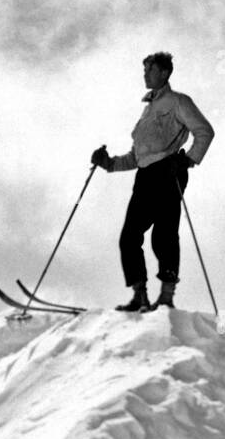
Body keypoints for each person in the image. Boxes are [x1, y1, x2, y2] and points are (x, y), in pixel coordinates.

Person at [91, 52, 214, 312]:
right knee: (129, 236)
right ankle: (140, 296)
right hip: (146, 175)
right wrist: (108, 163)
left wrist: (188, 160)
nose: (145, 74)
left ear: (165, 73)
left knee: (164, 235)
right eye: (145, 69)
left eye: (150, 69)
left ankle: (166, 297)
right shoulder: (148, 110)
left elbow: (204, 130)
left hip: (169, 171)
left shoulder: (178, 101)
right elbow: (137, 157)